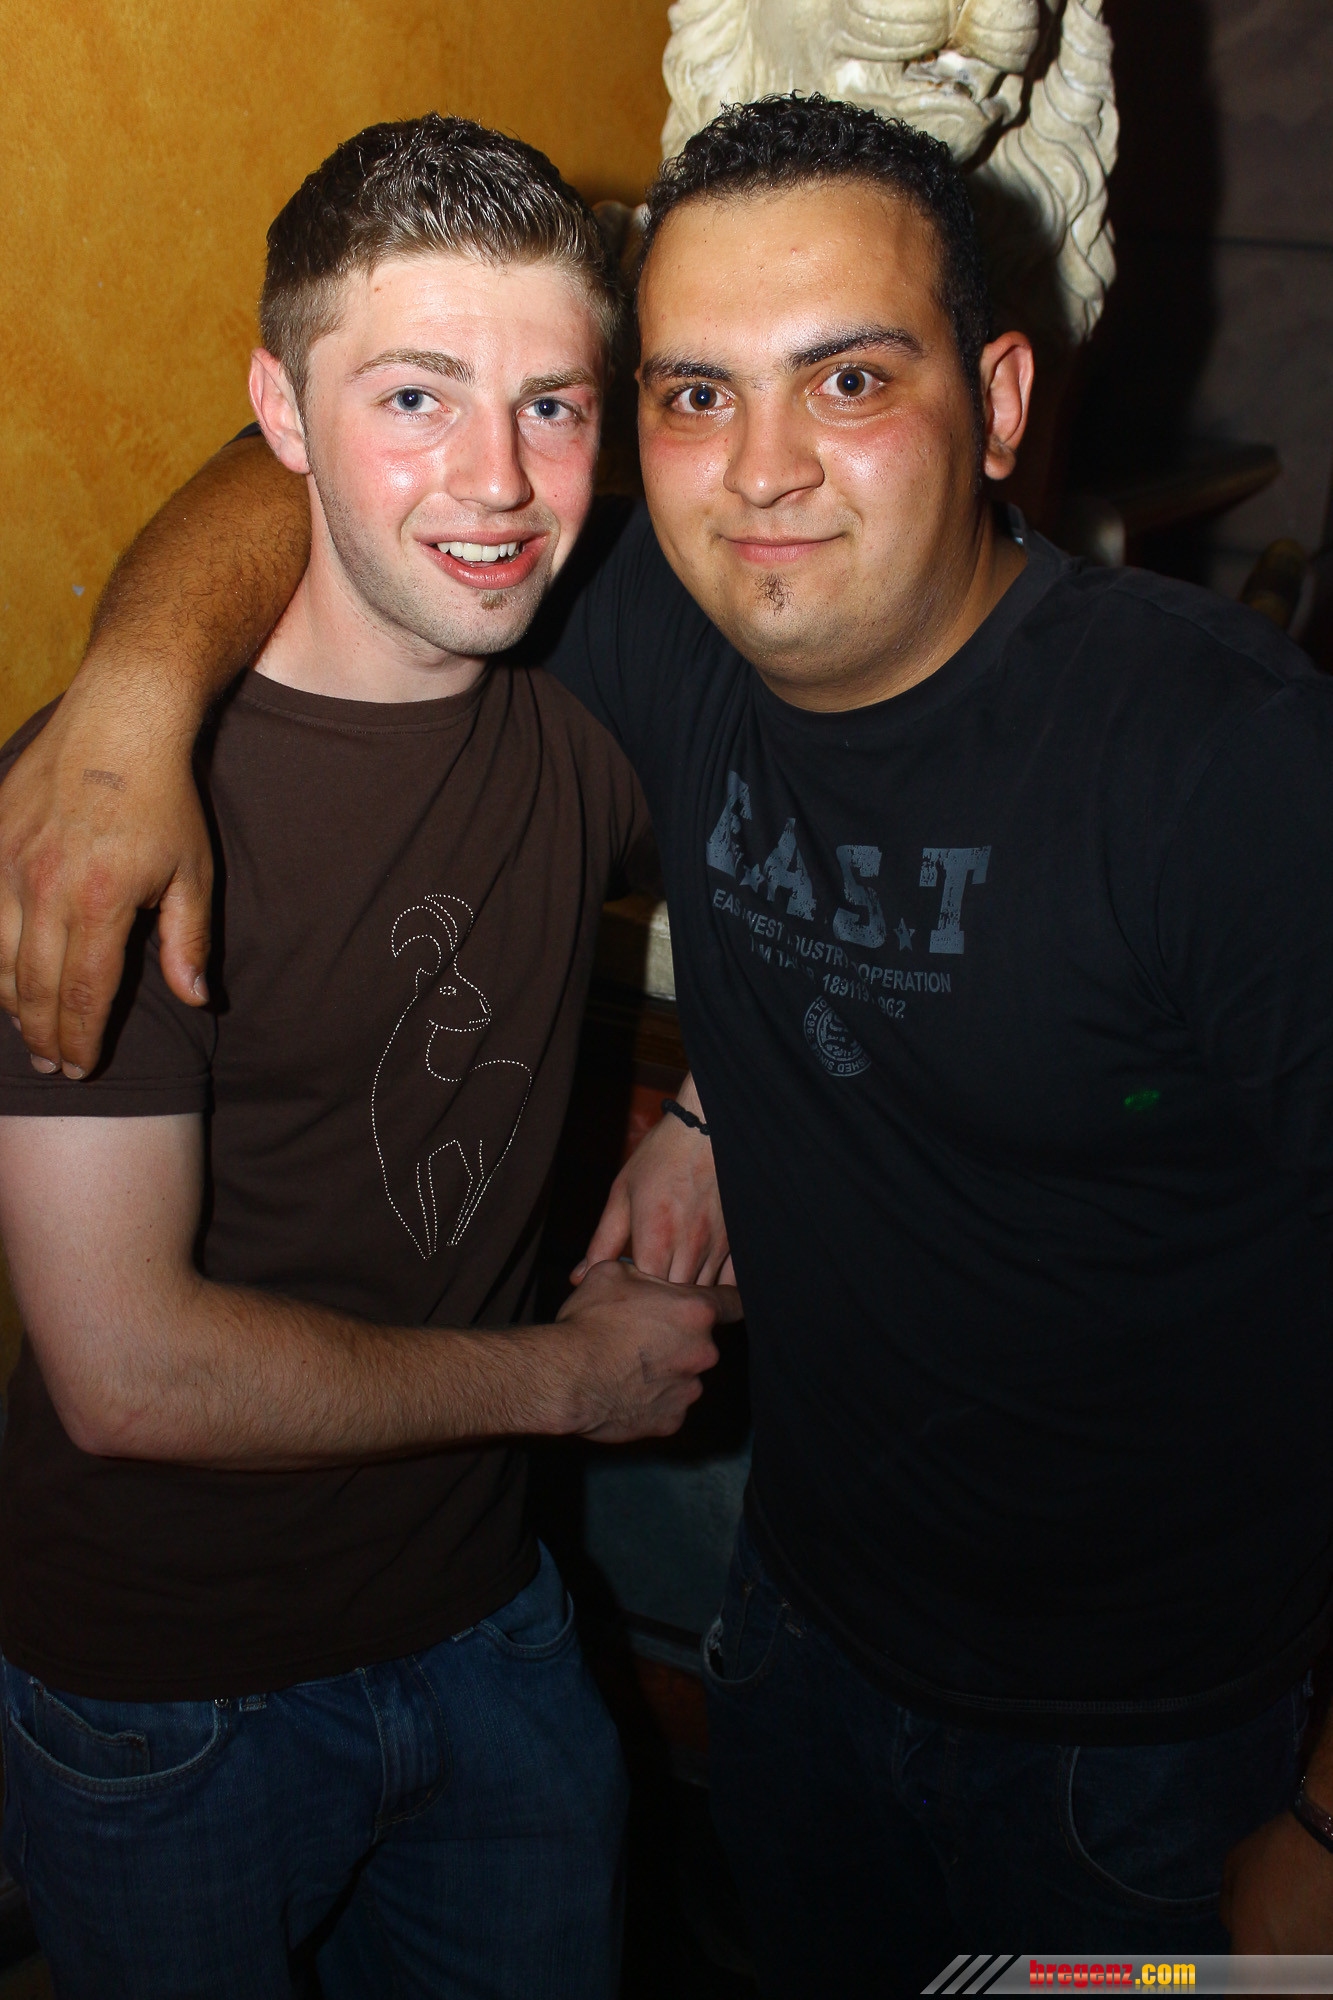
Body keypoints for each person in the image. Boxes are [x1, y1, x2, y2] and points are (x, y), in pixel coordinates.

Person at [4, 91, 1333, 1989]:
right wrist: (133, 694)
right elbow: (332, 439)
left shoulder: (1228, 766)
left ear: (998, 403)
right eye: (695, 394)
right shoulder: (633, 627)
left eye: (848, 380)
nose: (763, 471)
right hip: (787, 1644)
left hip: (1141, 1745)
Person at [0, 114, 742, 2000]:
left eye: (549, 406)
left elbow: (830, 836)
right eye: (412, 396)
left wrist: (713, 1108)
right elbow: (128, 1374)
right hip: (169, 1695)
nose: (495, 482)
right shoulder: (106, 823)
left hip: (490, 1623)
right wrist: (571, 1383)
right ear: (280, 409)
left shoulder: (581, 707)